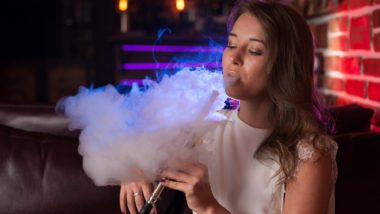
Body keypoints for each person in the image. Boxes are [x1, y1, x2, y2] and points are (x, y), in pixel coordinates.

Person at [119, 0, 337, 213]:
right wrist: (135, 170)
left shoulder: (309, 156)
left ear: (285, 67)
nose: (234, 57)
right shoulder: (204, 126)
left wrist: (209, 208)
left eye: (254, 50)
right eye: (231, 44)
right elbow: (131, 143)